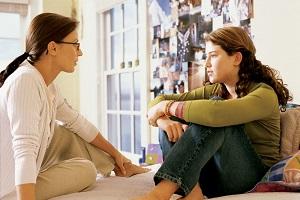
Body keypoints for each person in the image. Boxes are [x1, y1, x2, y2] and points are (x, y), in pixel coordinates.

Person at [0, 13, 149, 200]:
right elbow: (24, 150)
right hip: (8, 188)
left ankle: (122, 166)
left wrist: (117, 155)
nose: (80, 52)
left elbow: (78, 123)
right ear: (53, 47)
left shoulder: (47, 86)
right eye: (75, 45)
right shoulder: (26, 81)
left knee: (64, 133)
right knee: (86, 169)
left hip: (23, 161)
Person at [134, 26, 292, 200]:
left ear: (237, 58)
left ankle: (160, 193)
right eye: (206, 56)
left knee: (214, 112)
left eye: (213, 55)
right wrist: (164, 120)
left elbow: (216, 114)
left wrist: (165, 107)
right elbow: (158, 100)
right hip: (212, 178)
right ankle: (194, 192)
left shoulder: (264, 94)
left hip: (249, 178)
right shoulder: (217, 90)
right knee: (173, 118)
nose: (206, 64)